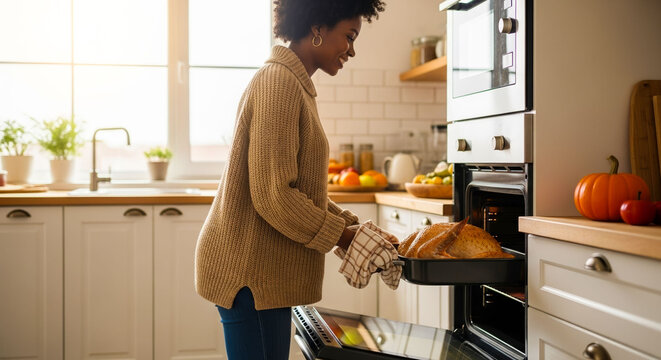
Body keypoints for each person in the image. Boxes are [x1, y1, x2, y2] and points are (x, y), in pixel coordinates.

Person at [194, 0, 386, 359]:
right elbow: (274, 197)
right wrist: (343, 235)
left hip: (263, 276)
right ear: (317, 28)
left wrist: (354, 228)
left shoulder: (293, 84)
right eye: (349, 36)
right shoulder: (279, 83)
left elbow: (298, 191)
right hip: (250, 276)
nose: (352, 50)